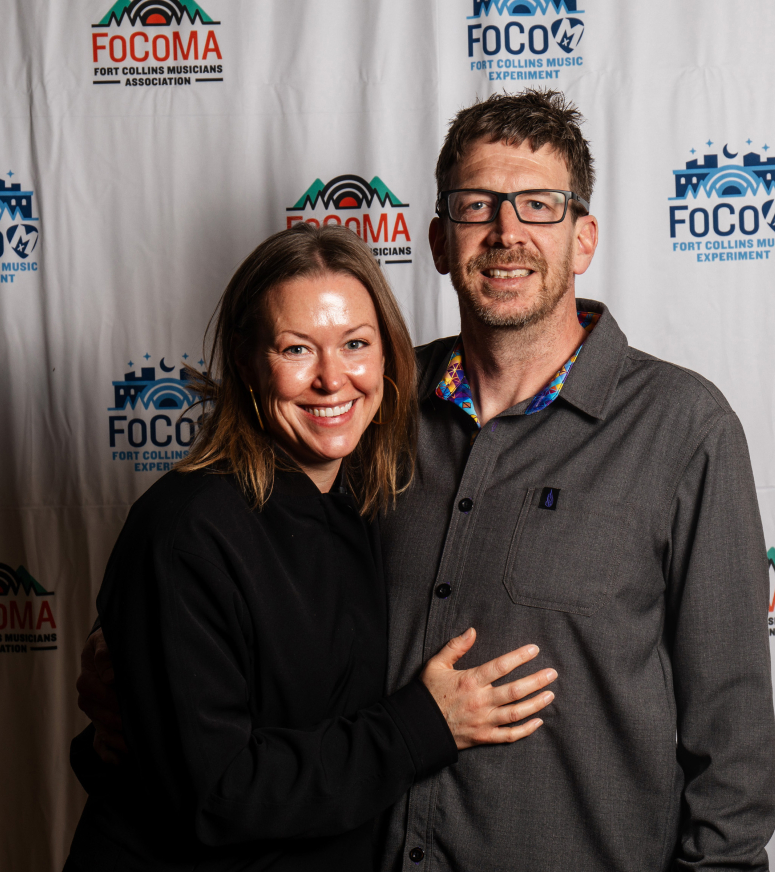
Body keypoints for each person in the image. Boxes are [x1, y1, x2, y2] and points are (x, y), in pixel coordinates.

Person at [80, 90, 775, 872]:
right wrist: (138, 688)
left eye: (539, 206)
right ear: (441, 241)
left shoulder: (683, 430)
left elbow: (733, 742)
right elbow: (259, 600)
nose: (507, 231)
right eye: (478, 206)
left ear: (583, 239)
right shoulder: (372, 414)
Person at [64, 224, 559, 872]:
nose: (333, 379)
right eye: (298, 349)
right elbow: (217, 795)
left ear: (388, 356)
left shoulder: (366, 500)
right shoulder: (186, 531)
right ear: (246, 362)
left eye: (356, 343)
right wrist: (424, 726)